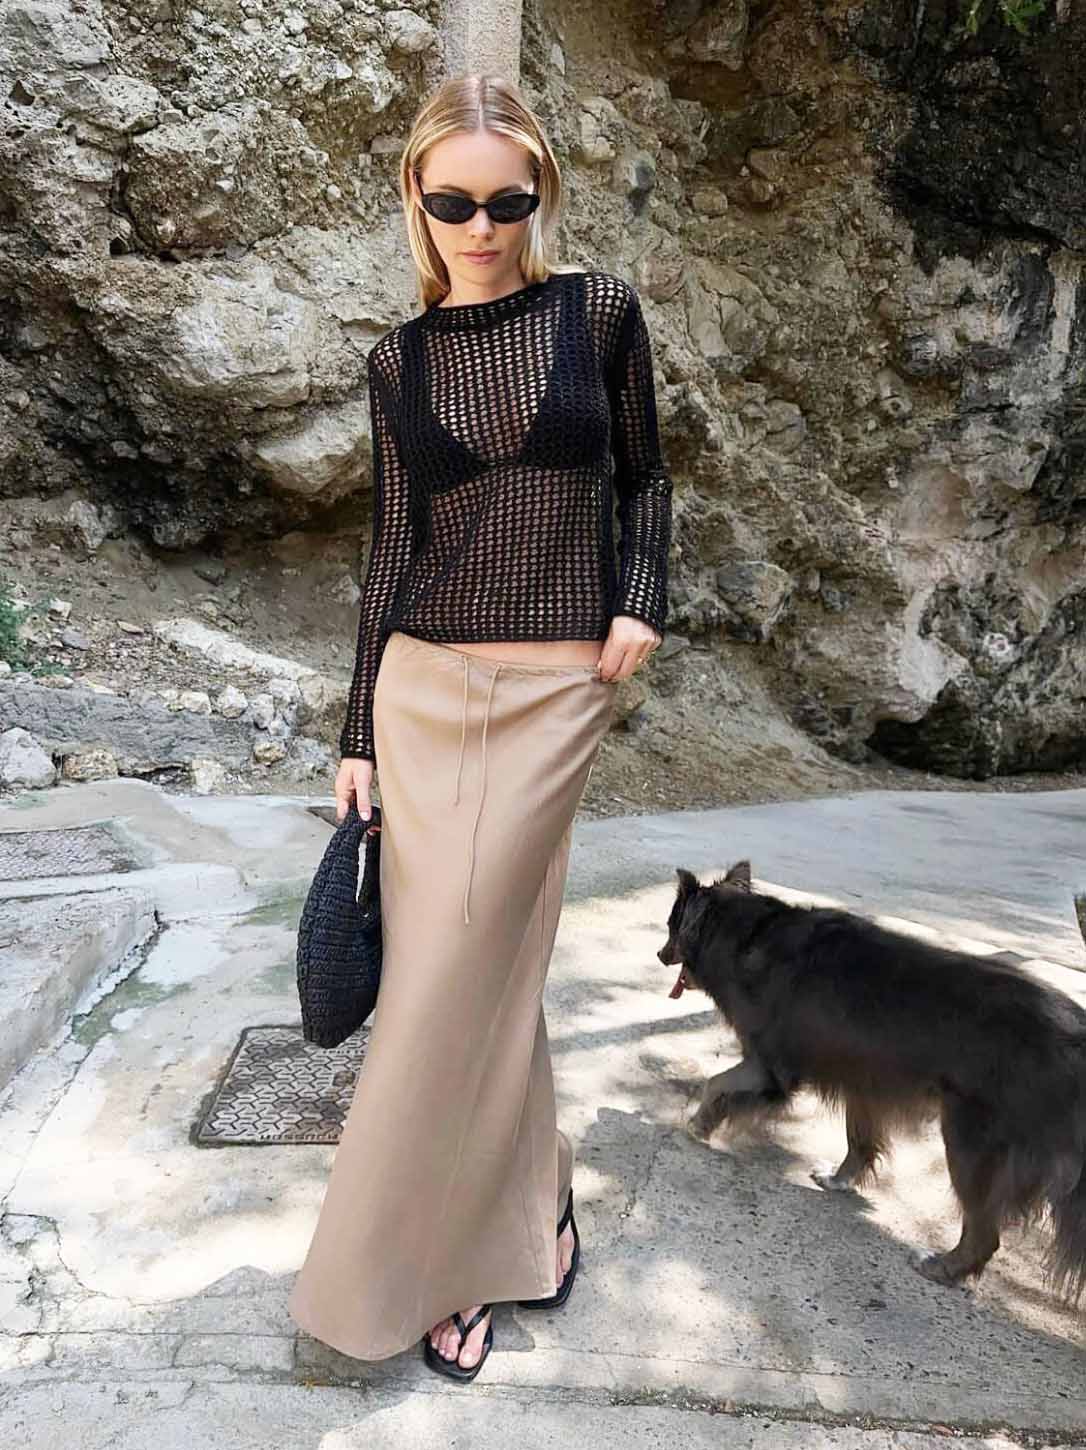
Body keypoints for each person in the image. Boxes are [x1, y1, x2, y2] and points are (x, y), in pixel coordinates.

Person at [287, 71, 673, 1382]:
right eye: (452, 203)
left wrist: (640, 595)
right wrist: (355, 733)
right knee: (470, 976)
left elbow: (646, 478)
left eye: (507, 202)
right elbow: (391, 547)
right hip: (422, 691)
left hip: (556, 693)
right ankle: (525, 1222)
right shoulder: (397, 360)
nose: (481, 228)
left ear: (539, 194)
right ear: (416, 196)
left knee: (456, 976)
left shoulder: (597, 313)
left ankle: (426, 1269)